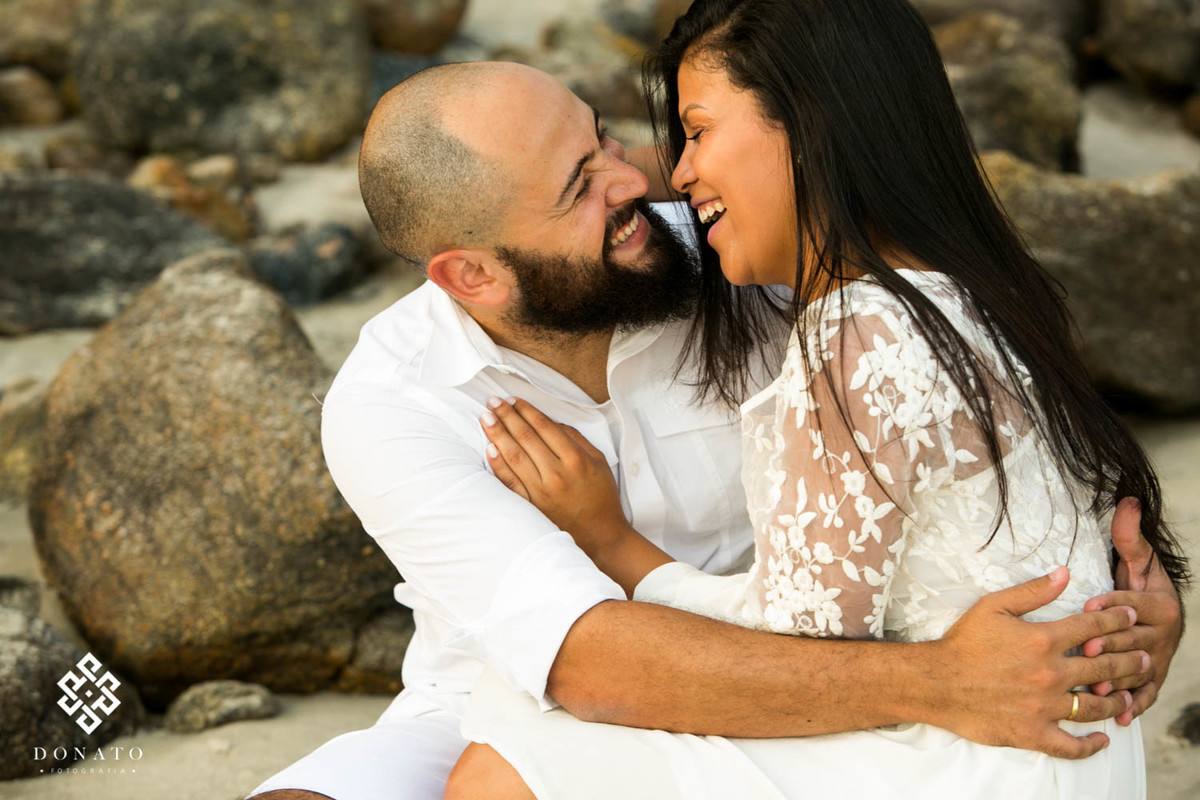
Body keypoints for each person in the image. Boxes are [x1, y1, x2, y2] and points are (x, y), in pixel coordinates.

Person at [245, 57, 1184, 800]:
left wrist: (1141, 592)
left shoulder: (738, 256)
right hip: (506, 695)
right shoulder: (393, 404)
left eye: (604, 139)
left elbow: (980, 395)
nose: (635, 179)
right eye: (579, 186)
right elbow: (588, 662)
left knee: (508, 784)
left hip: (834, 676)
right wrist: (945, 679)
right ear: (472, 277)